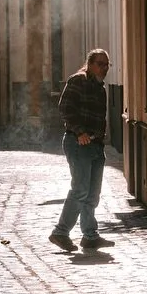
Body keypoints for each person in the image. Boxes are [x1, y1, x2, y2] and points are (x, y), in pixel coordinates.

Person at [50, 48, 115, 252]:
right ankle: (61, 232)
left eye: (107, 64)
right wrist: (79, 132)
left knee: (93, 194)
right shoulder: (78, 81)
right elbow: (65, 108)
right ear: (90, 64)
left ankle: (90, 236)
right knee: (80, 189)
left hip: (95, 145)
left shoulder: (100, 89)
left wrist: (99, 139)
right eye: (100, 64)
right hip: (78, 143)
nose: (104, 68)